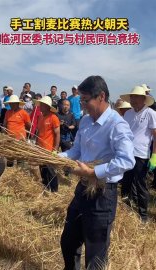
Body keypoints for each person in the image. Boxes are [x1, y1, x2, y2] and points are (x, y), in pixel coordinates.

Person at [59, 75, 135, 270]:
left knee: (96, 254)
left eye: (85, 100)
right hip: (82, 188)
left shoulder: (117, 125)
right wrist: (56, 157)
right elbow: (76, 151)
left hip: (102, 193)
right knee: (68, 242)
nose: (82, 105)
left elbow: (127, 160)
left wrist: (94, 172)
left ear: (101, 96)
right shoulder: (85, 121)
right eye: (81, 100)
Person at [120, 86, 156, 222]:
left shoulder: (150, 113)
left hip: (141, 155)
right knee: (126, 183)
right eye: (131, 97)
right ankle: (125, 209)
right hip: (127, 154)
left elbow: (155, 136)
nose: (132, 99)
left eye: (135, 97)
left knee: (141, 185)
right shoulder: (128, 114)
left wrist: (154, 155)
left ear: (143, 99)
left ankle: (143, 216)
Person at [36, 96, 60, 192]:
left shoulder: (53, 118)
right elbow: (39, 132)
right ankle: (46, 187)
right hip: (40, 148)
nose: (40, 107)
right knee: (42, 169)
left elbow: (57, 134)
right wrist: (36, 143)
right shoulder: (41, 117)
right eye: (40, 105)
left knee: (51, 171)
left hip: (49, 149)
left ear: (47, 106)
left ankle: (54, 191)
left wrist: (55, 149)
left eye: (42, 105)